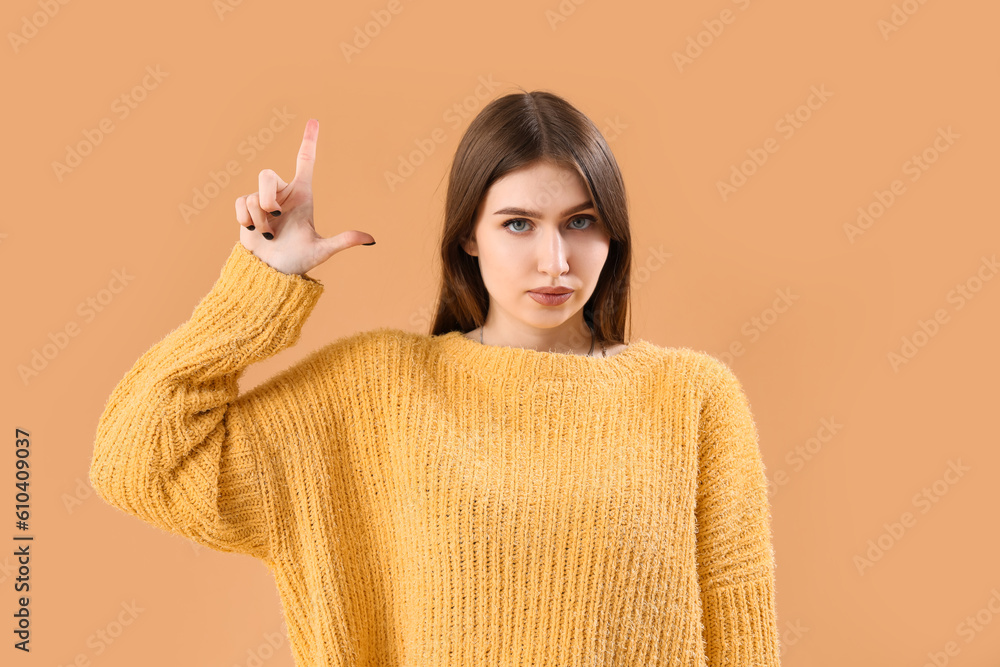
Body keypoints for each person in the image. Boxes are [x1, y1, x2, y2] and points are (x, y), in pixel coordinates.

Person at [90, 90, 782, 666]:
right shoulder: (379, 389)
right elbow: (140, 460)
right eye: (518, 224)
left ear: (613, 235)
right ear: (469, 235)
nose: (554, 260)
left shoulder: (693, 398)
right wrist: (265, 280)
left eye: (580, 222)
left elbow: (741, 640)